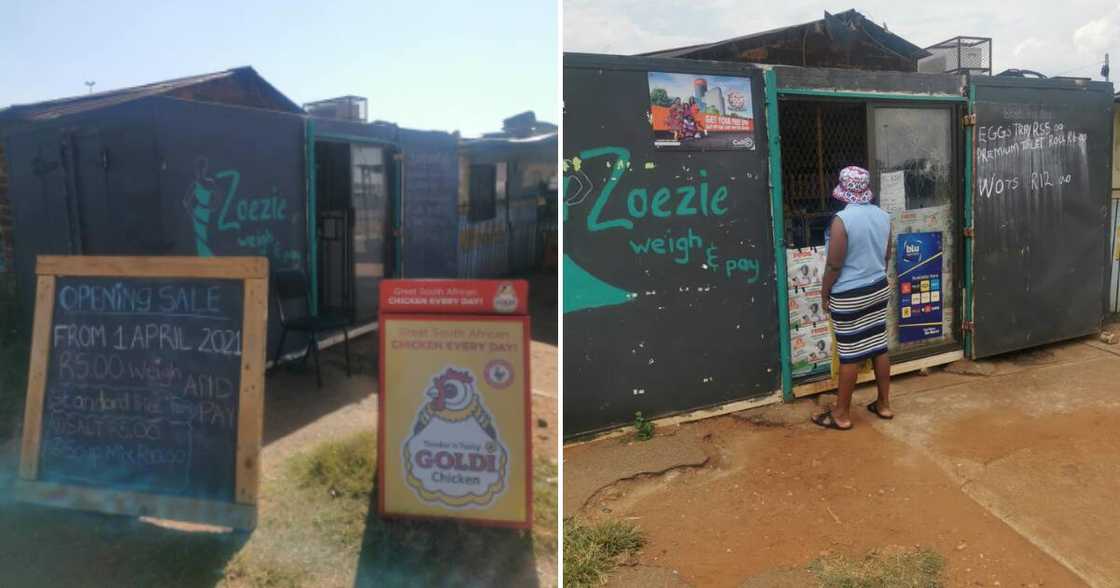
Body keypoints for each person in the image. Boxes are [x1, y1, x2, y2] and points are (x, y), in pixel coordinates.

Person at [812, 166, 894, 431]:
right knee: (879, 346)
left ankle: (842, 414)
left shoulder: (841, 220)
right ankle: (883, 405)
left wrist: (824, 293)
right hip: (878, 287)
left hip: (849, 294)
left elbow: (834, 265)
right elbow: (886, 256)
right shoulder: (883, 216)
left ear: (843, 191)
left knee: (849, 354)